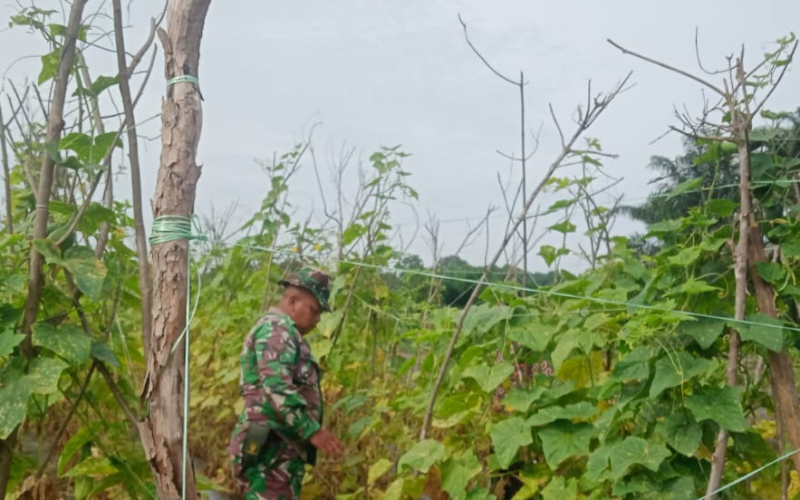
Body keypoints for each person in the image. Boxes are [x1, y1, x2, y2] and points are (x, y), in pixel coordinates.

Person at [228, 267, 344, 500]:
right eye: (314, 310)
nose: (318, 318)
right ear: (292, 301)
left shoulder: (287, 333)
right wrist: (311, 430)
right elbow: (277, 387)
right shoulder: (276, 331)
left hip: (278, 448)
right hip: (271, 447)